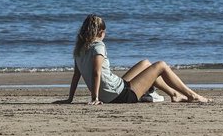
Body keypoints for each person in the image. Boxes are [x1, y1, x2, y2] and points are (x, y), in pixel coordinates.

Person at [55, 14, 211, 105]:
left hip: (115, 88)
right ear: (101, 32)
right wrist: (95, 98)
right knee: (161, 65)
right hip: (120, 95)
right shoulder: (98, 46)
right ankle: (192, 95)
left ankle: (174, 94)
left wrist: (70, 99)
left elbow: (76, 76)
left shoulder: (79, 49)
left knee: (146, 64)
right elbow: (96, 73)